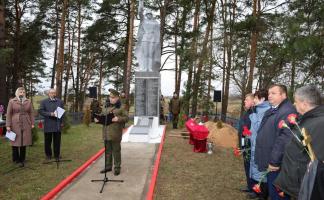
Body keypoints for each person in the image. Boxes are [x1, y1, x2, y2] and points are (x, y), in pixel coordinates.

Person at [274, 85, 324, 199]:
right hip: (298, 185)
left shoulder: (320, 124)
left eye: (296, 102)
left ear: (304, 104)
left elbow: (316, 162)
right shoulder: (307, 120)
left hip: (306, 188)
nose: (294, 105)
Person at [255, 84, 297, 200]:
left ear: (283, 95)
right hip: (271, 160)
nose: (269, 96)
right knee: (273, 193)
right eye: (269, 93)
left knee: (278, 194)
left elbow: (285, 138)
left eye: (273, 93)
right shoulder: (273, 110)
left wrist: (274, 161)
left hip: (277, 164)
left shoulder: (287, 111)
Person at [95, 89, 128, 176]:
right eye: (110, 97)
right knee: (108, 151)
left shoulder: (122, 107)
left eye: (113, 97)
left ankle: (117, 168)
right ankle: (108, 166)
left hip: (115, 133)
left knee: (116, 151)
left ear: (117, 98)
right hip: (106, 132)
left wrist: (118, 119)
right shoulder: (106, 106)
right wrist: (97, 119)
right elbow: (102, 116)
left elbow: (126, 118)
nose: (111, 99)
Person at [249, 90, 271, 199]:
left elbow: (259, 129)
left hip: (261, 148)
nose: (254, 100)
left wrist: (253, 115)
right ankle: (259, 193)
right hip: (255, 146)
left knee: (262, 173)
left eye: (255, 98)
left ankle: (263, 195)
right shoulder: (258, 110)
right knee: (258, 172)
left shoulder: (266, 111)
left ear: (262, 99)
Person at [6, 87, 35, 165]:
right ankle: (15, 158)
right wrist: (8, 125)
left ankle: (22, 158)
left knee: (24, 140)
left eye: (23, 92)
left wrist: (32, 123)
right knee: (15, 140)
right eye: (20, 92)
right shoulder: (12, 101)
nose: (22, 93)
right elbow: (9, 114)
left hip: (26, 122)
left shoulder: (28, 101)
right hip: (15, 123)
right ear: (17, 93)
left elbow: (31, 113)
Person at [38, 88, 64, 161]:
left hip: (57, 124)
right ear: (48, 94)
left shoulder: (60, 101)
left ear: (55, 94)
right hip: (48, 123)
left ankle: (57, 155)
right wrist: (50, 114)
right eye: (51, 93)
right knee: (48, 141)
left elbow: (62, 112)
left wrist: (62, 122)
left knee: (57, 141)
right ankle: (48, 155)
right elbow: (40, 111)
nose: (53, 94)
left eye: (54, 93)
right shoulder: (44, 102)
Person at [135, 0, 161, 72]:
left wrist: (157, 41)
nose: (149, 15)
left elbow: (157, 32)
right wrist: (141, 2)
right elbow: (140, 12)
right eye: (147, 14)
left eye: (150, 14)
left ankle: (149, 68)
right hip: (145, 39)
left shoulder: (155, 22)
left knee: (150, 55)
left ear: (152, 15)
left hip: (152, 39)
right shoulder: (143, 21)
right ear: (146, 15)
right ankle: (144, 68)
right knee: (145, 55)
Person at [237, 93, 255, 195]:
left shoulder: (253, 113)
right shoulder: (247, 112)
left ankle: (253, 188)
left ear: (253, 101)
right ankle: (249, 185)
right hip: (244, 142)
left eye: (246, 100)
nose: (244, 101)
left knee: (250, 165)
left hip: (249, 143)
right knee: (246, 164)